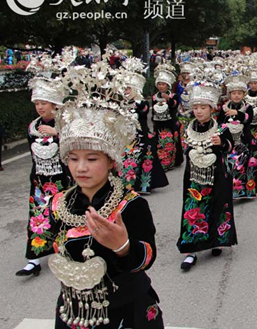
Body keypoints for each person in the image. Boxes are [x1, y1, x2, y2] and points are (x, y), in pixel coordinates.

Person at [49, 60, 164, 328]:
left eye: (91, 158)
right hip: (73, 310)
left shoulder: (131, 204)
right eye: (73, 158)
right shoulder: (59, 203)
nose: (81, 168)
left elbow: (147, 256)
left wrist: (123, 246)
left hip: (125, 308)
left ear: (111, 161)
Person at [177, 83, 237, 271]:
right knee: (193, 208)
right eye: (195, 108)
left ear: (212, 108)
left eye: (203, 107)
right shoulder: (188, 127)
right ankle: (190, 250)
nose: (199, 111)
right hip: (194, 177)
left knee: (217, 206)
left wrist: (223, 143)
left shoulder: (221, 128)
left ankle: (216, 241)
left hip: (217, 176)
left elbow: (231, 147)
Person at [16, 76, 71, 277]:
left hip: (63, 179)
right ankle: (34, 259)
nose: (40, 107)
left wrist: (57, 133)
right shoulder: (33, 126)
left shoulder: (66, 122)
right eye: (37, 103)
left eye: (44, 103)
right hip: (40, 180)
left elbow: (74, 146)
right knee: (38, 217)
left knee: (64, 214)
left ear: (54, 104)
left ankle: (67, 249)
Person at [120, 63, 169, 194]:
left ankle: (143, 185)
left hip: (140, 135)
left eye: (129, 89)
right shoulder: (121, 104)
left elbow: (142, 112)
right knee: (126, 160)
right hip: (125, 137)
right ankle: (126, 185)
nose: (126, 92)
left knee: (144, 159)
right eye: (124, 89)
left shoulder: (141, 103)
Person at [218, 74, 257, 199]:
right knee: (229, 165)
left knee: (243, 166)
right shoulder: (224, 107)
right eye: (234, 93)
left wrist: (237, 114)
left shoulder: (248, 107)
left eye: (239, 93)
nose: (236, 96)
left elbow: (248, 119)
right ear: (229, 95)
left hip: (244, 141)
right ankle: (229, 190)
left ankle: (245, 190)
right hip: (229, 142)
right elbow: (219, 122)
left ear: (244, 94)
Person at [152, 63, 180, 171]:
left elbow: (175, 106)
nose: (161, 86)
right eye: (159, 84)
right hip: (158, 124)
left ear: (168, 85)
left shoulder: (173, 96)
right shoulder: (155, 97)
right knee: (159, 144)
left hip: (169, 124)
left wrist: (168, 99)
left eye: (163, 84)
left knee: (169, 143)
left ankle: (169, 162)